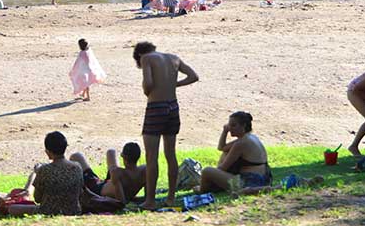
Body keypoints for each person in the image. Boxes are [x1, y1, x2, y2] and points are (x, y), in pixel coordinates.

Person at [133, 42, 199, 210]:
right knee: (171, 154)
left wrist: (147, 92)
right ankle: (171, 197)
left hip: (156, 108)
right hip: (173, 107)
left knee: (151, 156)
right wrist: (174, 85)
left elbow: (148, 83)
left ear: (139, 56)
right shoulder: (174, 58)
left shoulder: (146, 58)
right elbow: (193, 76)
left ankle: (150, 200)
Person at [199, 112, 272, 194]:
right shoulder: (249, 137)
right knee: (225, 153)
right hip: (265, 178)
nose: (230, 128)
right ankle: (212, 186)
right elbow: (222, 147)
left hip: (250, 181)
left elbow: (222, 168)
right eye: (229, 125)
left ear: (243, 126)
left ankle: (201, 190)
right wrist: (225, 132)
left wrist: (213, 176)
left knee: (207, 171)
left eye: (233, 125)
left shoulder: (241, 143)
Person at [70, 142, 146, 204]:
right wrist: (133, 198)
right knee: (111, 152)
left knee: (76, 156)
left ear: (123, 157)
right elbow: (146, 197)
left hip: (98, 189)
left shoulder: (117, 173)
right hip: (111, 182)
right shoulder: (144, 170)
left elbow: (121, 202)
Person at [32, 131, 84, 215]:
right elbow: (80, 193)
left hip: (48, 211)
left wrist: (39, 173)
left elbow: (37, 198)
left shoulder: (44, 170)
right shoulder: (77, 167)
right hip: (73, 211)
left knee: (14, 208)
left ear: (48, 151)